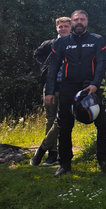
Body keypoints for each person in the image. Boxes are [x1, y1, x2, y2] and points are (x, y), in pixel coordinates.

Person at [45, 10, 106, 177]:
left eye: (82, 19)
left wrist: (96, 84)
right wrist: (50, 91)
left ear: (87, 21)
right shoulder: (61, 43)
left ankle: (104, 160)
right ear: (72, 23)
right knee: (64, 126)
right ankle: (64, 163)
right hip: (67, 87)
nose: (79, 22)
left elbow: (101, 63)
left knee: (103, 123)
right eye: (76, 20)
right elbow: (52, 68)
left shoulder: (97, 40)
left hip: (90, 87)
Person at [30, 16, 72, 166]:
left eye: (66, 26)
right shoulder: (49, 44)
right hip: (51, 87)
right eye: (60, 27)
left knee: (61, 121)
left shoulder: (74, 43)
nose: (63, 29)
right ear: (56, 28)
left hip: (68, 87)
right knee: (50, 119)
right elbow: (37, 53)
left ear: (70, 27)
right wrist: (45, 67)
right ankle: (52, 154)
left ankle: (44, 148)